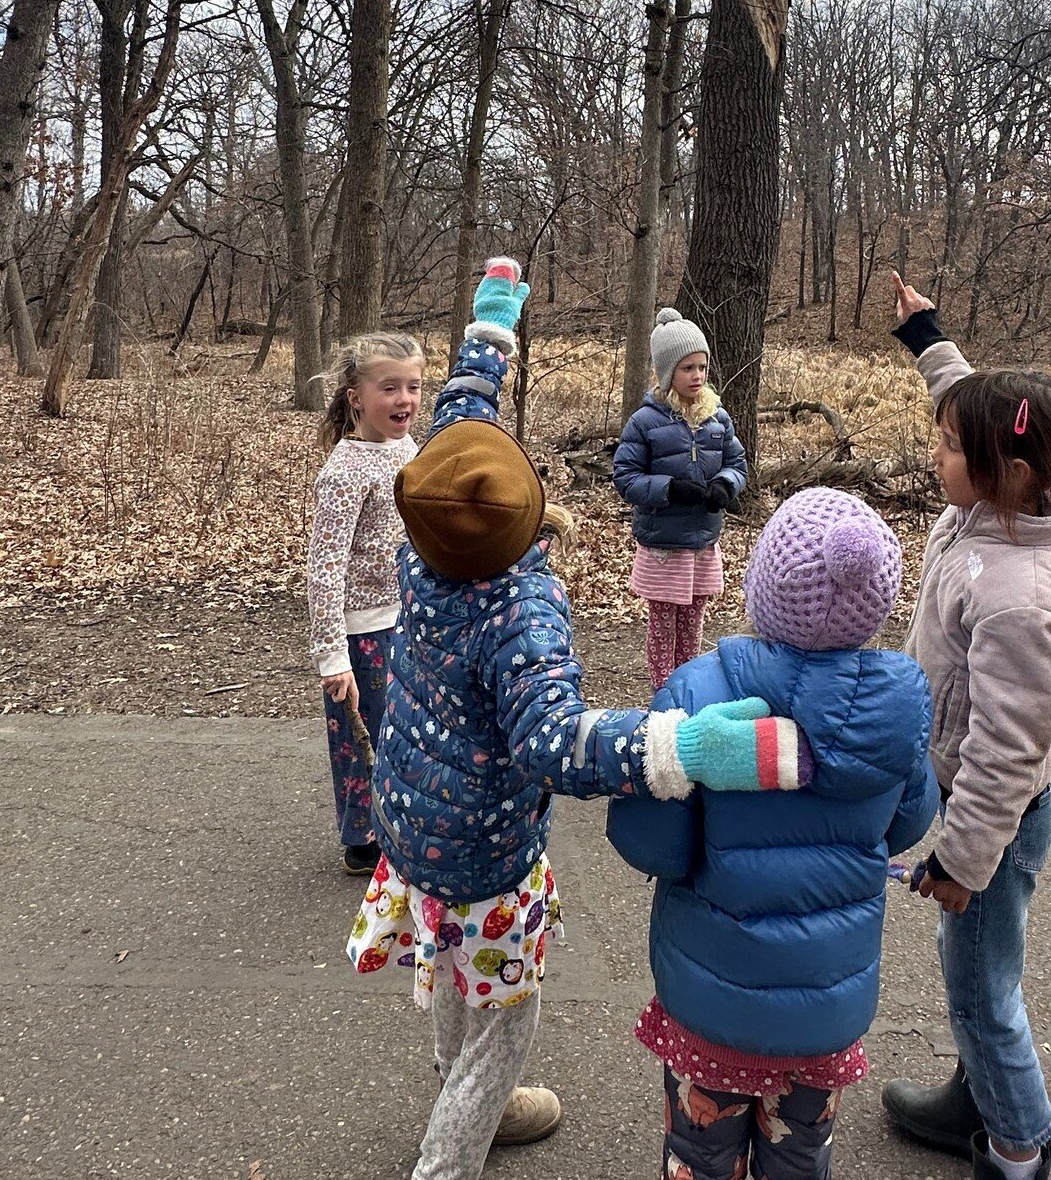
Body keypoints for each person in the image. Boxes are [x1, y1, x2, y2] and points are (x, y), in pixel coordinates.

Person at [347, 260, 813, 1180]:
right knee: (503, 1027)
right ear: (529, 528)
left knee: (447, 964)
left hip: (414, 829)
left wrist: (490, 327)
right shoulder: (518, 611)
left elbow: (461, 417)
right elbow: (562, 742)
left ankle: (462, 1083)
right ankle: (452, 1148)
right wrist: (696, 746)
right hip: (489, 853)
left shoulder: (429, 529)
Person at [607, 485, 937, 1180]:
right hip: (826, 1004)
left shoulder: (697, 693)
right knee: (800, 1156)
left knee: (701, 1154)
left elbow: (653, 842)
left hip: (713, 997)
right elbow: (908, 820)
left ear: (763, 584)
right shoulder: (900, 707)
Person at [880, 272, 1051, 1180]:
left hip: (996, 821)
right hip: (976, 793)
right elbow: (968, 402)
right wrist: (927, 335)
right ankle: (970, 1098)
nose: (935, 452)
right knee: (972, 973)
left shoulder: (1018, 598)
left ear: (1003, 470)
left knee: (981, 991)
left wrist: (963, 862)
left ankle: (1017, 1144)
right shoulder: (995, 502)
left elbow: (1008, 752)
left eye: (946, 446)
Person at [307, 329, 426, 873]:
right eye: (390, 388)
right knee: (364, 736)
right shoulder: (344, 471)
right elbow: (324, 567)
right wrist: (333, 658)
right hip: (363, 633)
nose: (404, 399)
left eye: (414, 387)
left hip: (411, 617)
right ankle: (363, 837)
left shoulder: (409, 449)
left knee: (409, 728)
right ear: (356, 396)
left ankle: (404, 821)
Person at [613, 306, 748, 689]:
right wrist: (668, 489)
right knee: (662, 625)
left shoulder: (717, 418)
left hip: (702, 541)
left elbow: (737, 461)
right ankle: (663, 692)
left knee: (693, 624)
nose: (698, 376)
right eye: (688, 368)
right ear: (668, 371)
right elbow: (625, 477)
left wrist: (725, 484)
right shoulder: (645, 421)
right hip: (663, 544)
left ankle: (688, 690)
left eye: (702, 367)